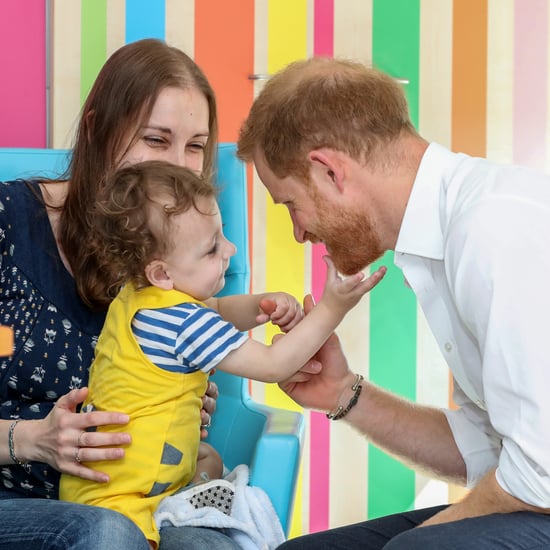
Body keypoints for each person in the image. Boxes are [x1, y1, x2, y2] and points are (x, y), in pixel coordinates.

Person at [236, 56, 550, 549]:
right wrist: (343, 393)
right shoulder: (444, 239)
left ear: (329, 171)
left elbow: (540, 472)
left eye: (291, 204)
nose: (299, 233)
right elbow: (487, 450)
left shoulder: (492, 228)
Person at [59, 159, 382, 548]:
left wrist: (261, 305)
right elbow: (272, 365)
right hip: (125, 501)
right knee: (210, 470)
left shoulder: (139, 299)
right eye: (212, 248)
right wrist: (332, 309)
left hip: (100, 483)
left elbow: (217, 310)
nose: (229, 249)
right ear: (161, 273)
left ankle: (189, 497)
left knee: (208, 457)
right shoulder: (182, 323)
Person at [0, 38, 236, 550]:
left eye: (195, 146)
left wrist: (186, 407)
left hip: (145, 502)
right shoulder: (7, 224)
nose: (178, 165)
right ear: (96, 131)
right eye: (157, 140)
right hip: (16, 499)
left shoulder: (185, 255)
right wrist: (30, 439)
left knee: (213, 545)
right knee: (106, 533)